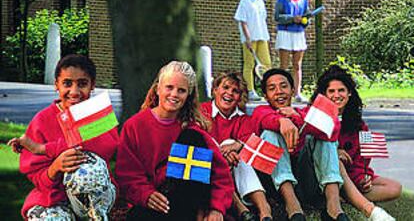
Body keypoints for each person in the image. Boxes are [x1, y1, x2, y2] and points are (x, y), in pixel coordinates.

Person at [115, 61, 234, 220]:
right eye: (169, 87)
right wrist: (146, 195)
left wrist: (216, 209)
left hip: (186, 203)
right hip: (151, 203)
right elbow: (127, 173)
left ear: (188, 96)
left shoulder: (194, 130)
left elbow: (221, 176)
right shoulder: (135, 126)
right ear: (158, 89)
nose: (174, 94)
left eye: (181, 90)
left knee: (191, 138)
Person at [14, 54, 118, 220]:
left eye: (82, 84)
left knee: (87, 166)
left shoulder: (98, 115)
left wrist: (44, 148)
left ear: (92, 85)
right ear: (56, 85)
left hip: (95, 195)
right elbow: (36, 176)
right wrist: (55, 166)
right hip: (54, 197)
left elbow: (107, 147)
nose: (74, 92)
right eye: (67, 83)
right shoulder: (42, 120)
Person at [251, 68, 349, 221]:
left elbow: (333, 128)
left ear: (292, 90)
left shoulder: (305, 112)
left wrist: (298, 118)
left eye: (284, 86)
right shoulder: (261, 111)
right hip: (276, 189)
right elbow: (264, 119)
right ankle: (292, 206)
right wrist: (282, 121)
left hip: (307, 181)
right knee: (269, 134)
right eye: (272, 88)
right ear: (266, 96)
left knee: (323, 135)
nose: (279, 92)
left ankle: (333, 207)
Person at [311, 65, 401, 220]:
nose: (336, 95)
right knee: (335, 159)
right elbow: (311, 150)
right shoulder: (315, 118)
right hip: (324, 178)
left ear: (349, 93)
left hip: (352, 177)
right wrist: (335, 152)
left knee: (395, 188)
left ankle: (349, 196)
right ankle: (370, 210)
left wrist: (363, 177)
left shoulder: (359, 124)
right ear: (324, 95)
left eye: (341, 90)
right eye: (331, 91)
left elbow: (364, 158)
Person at [200, 72, 272, 221]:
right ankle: (241, 209)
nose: (229, 93)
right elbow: (198, 139)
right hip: (207, 168)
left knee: (240, 151)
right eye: (225, 88)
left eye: (235, 91)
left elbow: (249, 140)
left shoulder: (243, 118)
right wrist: (222, 153)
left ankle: (265, 211)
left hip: (236, 169)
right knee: (227, 145)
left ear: (240, 97)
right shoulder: (202, 111)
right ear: (215, 90)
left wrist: (238, 145)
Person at [274, 0, 310, 103]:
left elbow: (307, 18)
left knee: (297, 65)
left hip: (299, 34)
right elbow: (277, 17)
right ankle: (282, 92)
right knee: (284, 65)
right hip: (285, 33)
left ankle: (297, 92)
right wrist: (292, 18)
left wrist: (304, 20)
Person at [234, 0, 272, 101]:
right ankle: (250, 90)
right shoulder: (244, 2)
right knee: (249, 64)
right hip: (250, 39)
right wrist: (248, 39)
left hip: (262, 37)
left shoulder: (260, 2)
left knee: (266, 64)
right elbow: (243, 22)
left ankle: (268, 89)